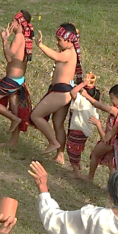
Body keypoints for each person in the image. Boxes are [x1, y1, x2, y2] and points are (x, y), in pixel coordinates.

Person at [30, 24, 83, 158]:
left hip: (61, 91)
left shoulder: (68, 53)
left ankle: (53, 142)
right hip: (63, 91)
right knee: (58, 124)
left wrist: (40, 45)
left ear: (69, 41)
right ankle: (60, 156)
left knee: (35, 115)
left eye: (59, 40)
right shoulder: (69, 50)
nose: (56, 42)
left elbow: (56, 56)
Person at [0, 11, 34, 148]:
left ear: (18, 24)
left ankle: (14, 119)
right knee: (14, 108)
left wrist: (4, 40)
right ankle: (13, 142)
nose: (11, 23)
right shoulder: (25, 38)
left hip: (12, 79)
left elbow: (9, 57)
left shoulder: (19, 37)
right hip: (19, 79)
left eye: (13, 21)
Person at [84, 84, 118, 182]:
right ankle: (111, 186)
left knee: (95, 154)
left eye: (112, 98)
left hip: (109, 140)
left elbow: (99, 105)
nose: (111, 101)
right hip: (117, 142)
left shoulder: (116, 109)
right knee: (112, 165)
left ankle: (90, 177)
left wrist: (86, 96)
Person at [65, 73, 103, 178]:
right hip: (85, 132)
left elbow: (72, 92)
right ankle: (78, 165)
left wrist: (83, 83)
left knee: (71, 149)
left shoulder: (82, 102)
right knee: (77, 149)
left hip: (77, 129)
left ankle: (76, 172)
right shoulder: (93, 107)